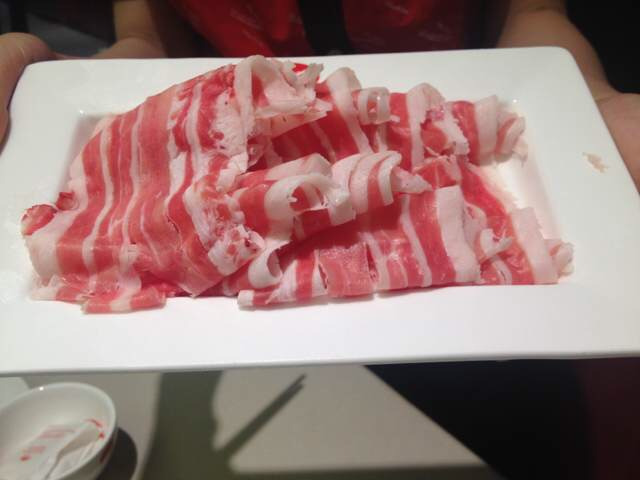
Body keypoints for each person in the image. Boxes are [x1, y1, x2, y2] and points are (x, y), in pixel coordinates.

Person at [0, 0, 638, 190]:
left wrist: (584, 99)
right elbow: (149, 31)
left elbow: (530, 11)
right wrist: (78, 85)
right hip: (237, 152)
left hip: (444, 130)